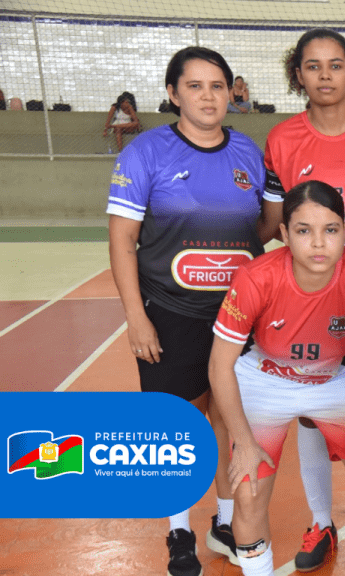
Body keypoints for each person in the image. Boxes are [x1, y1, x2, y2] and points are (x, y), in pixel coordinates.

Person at [106, 46, 279, 576]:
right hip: (169, 312)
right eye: (195, 86)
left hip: (236, 319)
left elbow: (263, 229)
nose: (208, 96)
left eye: (217, 86)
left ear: (231, 93)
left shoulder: (248, 152)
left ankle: (224, 524)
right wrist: (137, 317)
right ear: (173, 93)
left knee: (231, 423)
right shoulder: (145, 153)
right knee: (174, 430)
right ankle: (178, 531)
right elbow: (122, 240)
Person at [256, 28, 345, 574]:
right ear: (299, 75)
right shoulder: (283, 139)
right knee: (312, 412)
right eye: (313, 66)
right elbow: (273, 222)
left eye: (335, 65)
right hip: (310, 298)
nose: (325, 75)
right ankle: (321, 520)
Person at [209, 181, 345, 576]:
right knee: (249, 493)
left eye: (331, 230)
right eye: (304, 230)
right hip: (265, 380)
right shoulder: (256, 277)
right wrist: (244, 442)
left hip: (332, 382)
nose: (319, 243)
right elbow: (220, 364)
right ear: (285, 234)